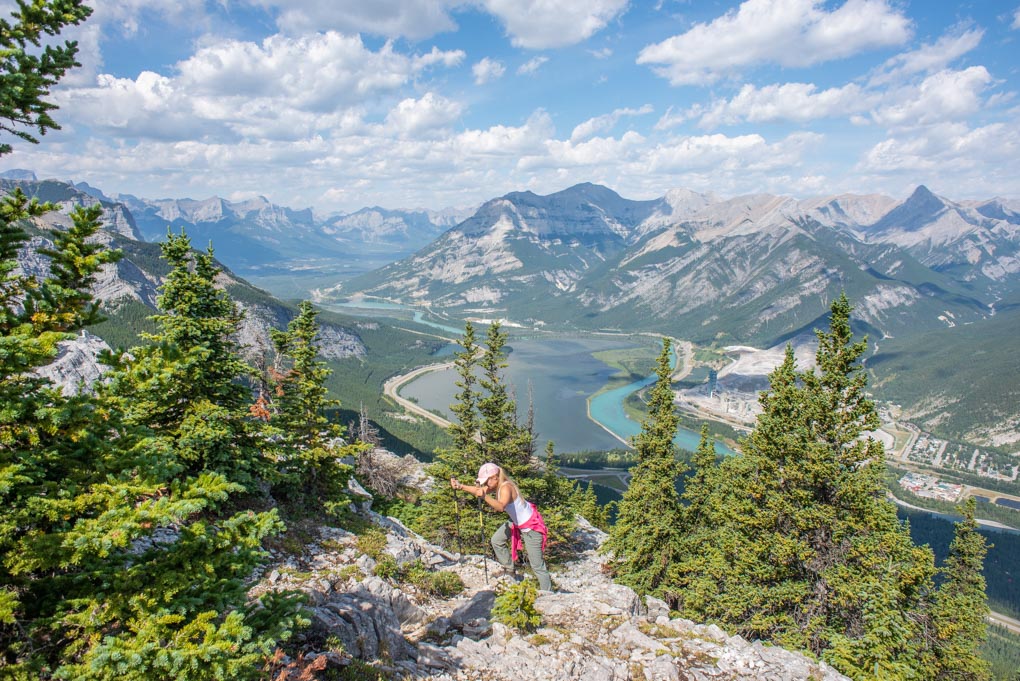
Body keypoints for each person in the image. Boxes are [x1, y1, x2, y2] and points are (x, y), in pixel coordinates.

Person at [451, 462, 552, 591]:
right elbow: (479, 491)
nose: (485, 484)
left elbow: (500, 507)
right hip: (517, 523)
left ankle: (548, 594)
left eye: (487, 481)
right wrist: (460, 486)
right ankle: (510, 570)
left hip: (531, 527)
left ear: (495, 477)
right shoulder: (497, 485)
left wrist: (484, 497)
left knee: (537, 565)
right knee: (497, 540)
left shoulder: (505, 488)